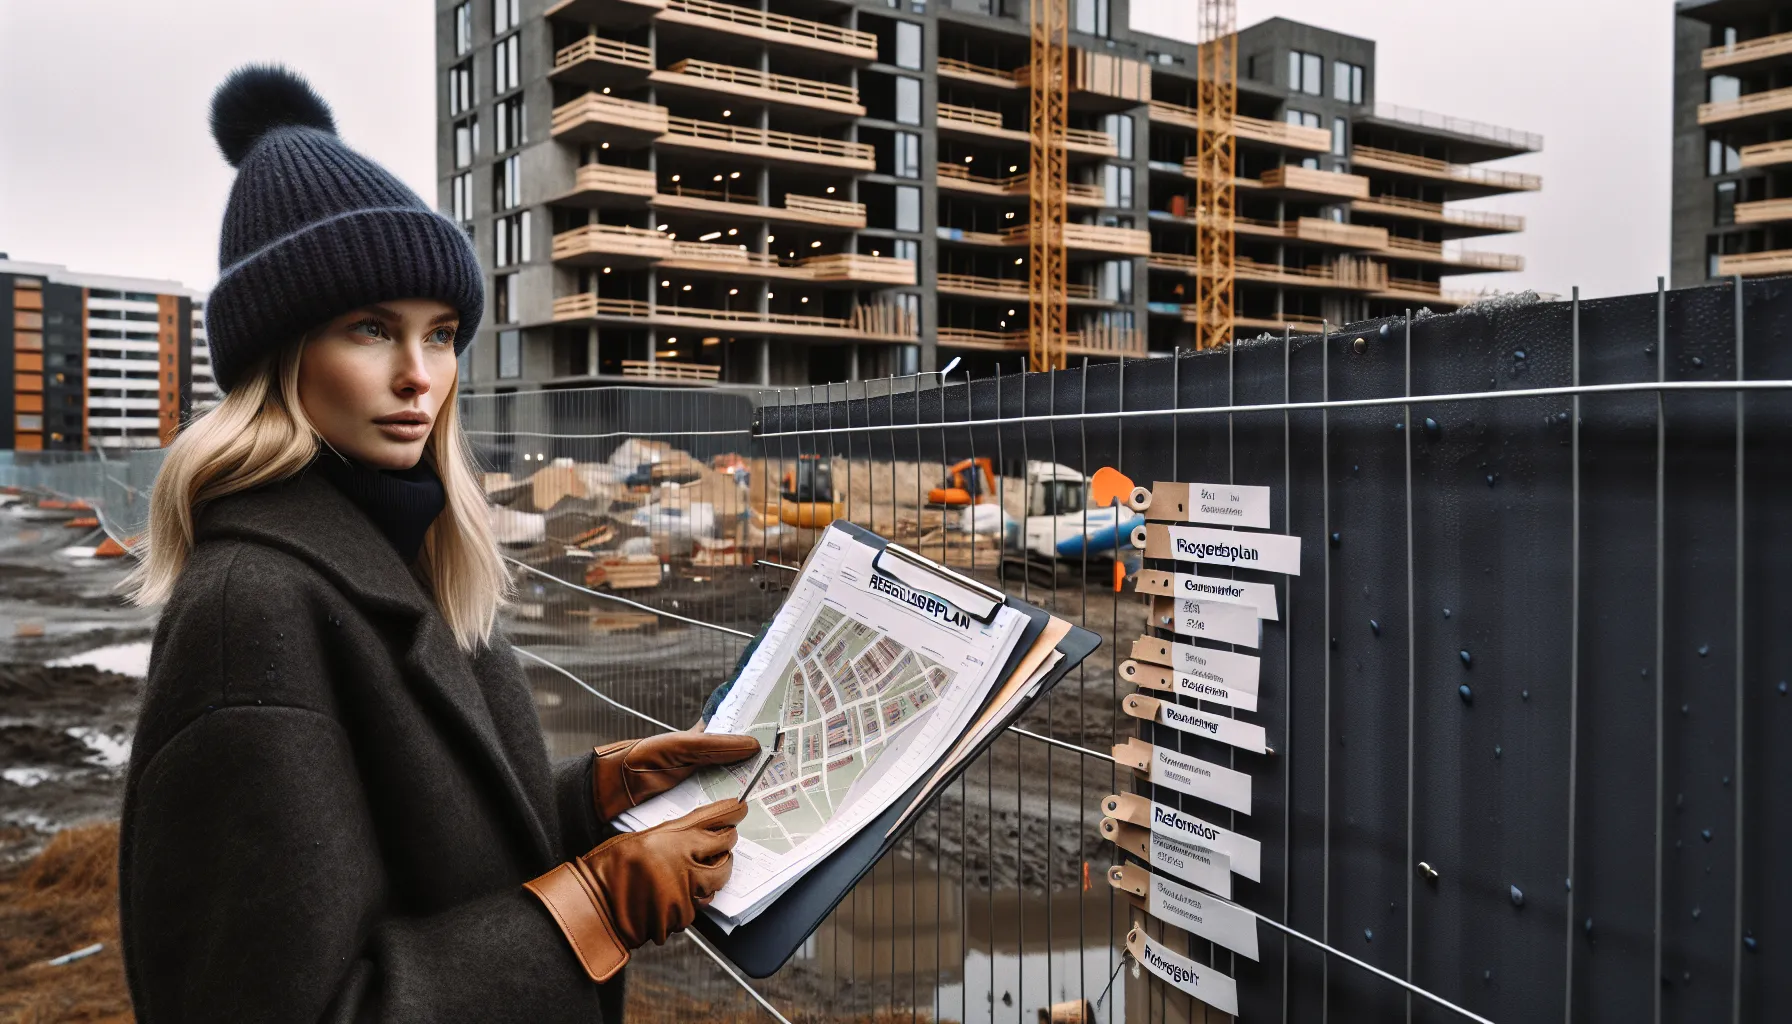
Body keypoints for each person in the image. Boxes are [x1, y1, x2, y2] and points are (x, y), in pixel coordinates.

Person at [116, 65, 759, 1022]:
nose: (420, 375)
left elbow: (417, 841)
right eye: (371, 329)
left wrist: (593, 797)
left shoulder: (406, 555)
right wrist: (592, 909)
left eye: (442, 333)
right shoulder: (249, 609)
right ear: (278, 357)